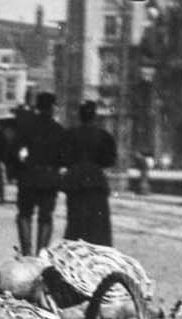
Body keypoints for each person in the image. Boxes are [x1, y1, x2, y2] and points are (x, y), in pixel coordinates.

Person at [15, 91, 65, 253]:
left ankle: (26, 253)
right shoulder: (58, 130)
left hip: (28, 177)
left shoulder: (26, 127)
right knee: (46, 217)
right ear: (52, 108)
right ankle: (40, 255)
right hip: (49, 179)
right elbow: (63, 158)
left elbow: (15, 152)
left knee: (24, 214)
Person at [61, 100, 117, 245]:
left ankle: (75, 248)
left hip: (75, 180)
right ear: (94, 116)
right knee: (98, 223)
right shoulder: (104, 136)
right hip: (96, 180)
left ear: (80, 116)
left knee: (75, 221)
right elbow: (110, 160)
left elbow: (63, 157)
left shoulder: (70, 134)